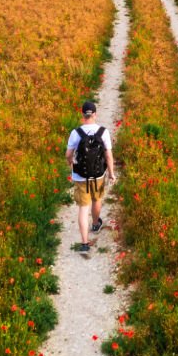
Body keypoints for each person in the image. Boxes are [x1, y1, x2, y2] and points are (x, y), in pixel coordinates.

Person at [65, 100, 116, 254]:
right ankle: (95, 223)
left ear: (83, 115)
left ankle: (85, 243)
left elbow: (68, 155)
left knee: (83, 208)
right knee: (97, 199)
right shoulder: (103, 132)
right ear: (94, 114)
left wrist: (71, 165)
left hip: (81, 175)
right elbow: (108, 156)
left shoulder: (76, 133)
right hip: (98, 174)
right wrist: (112, 174)